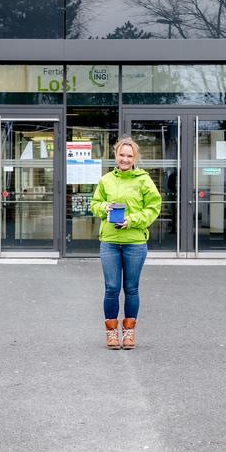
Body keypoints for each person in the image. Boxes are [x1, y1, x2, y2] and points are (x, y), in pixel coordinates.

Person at [90, 137, 161, 350]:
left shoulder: (144, 180)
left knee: (131, 288)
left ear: (135, 158)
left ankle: (129, 332)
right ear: (116, 155)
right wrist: (105, 207)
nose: (125, 158)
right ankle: (111, 333)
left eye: (129, 155)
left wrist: (131, 221)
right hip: (110, 242)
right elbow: (94, 204)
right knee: (111, 288)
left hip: (135, 242)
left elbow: (153, 207)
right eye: (122, 154)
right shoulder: (106, 180)